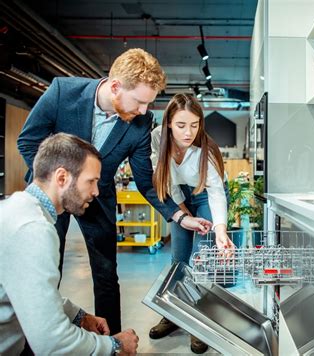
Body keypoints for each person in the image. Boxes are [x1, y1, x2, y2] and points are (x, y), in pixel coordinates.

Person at [16, 48, 212, 334]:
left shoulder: (140, 123)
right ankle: (38, 337)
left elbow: (146, 181)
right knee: (47, 266)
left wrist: (180, 217)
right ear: (116, 86)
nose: (144, 111)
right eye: (140, 102)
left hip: (99, 197)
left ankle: (115, 344)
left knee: (106, 273)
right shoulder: (62, 92)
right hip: (51, 195)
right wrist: (55, 185)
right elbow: (28, 141)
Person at [0, 133, 139, 355]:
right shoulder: (34, 229)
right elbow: (52, 342)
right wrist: (114, 346)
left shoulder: (19, 208)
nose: (96, 191)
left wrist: (79, 316)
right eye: (91, 181)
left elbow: (30, 291)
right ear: (62, 178)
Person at [148, 93, 235, 354]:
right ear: (168, 124)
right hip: (179, 195)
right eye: (181, 125)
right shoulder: (156, 138)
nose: (188, 132)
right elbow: (164, 180)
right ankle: (174, 316)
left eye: (195, 125)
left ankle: (199, 322)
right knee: (179, 259)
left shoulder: (204, 150)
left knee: (201, 259)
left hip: (206, 194)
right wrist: (183, 214)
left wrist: (220, 230)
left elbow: (217, 192)